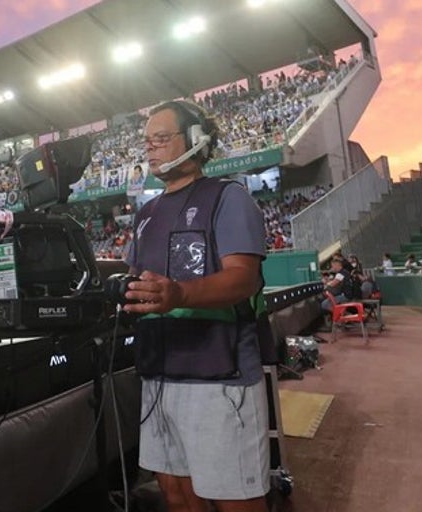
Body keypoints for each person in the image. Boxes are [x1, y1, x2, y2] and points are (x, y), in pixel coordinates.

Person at [123, 100, 270, 512]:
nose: (150, 148)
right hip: (158, 374)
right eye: (147, 141)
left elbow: (244, 277)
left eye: (162, 138)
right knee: (176, 493)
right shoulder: (146, 213)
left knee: (234, 499)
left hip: (217, 375)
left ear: (196, 141)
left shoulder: (228, 198)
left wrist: (181, 295)